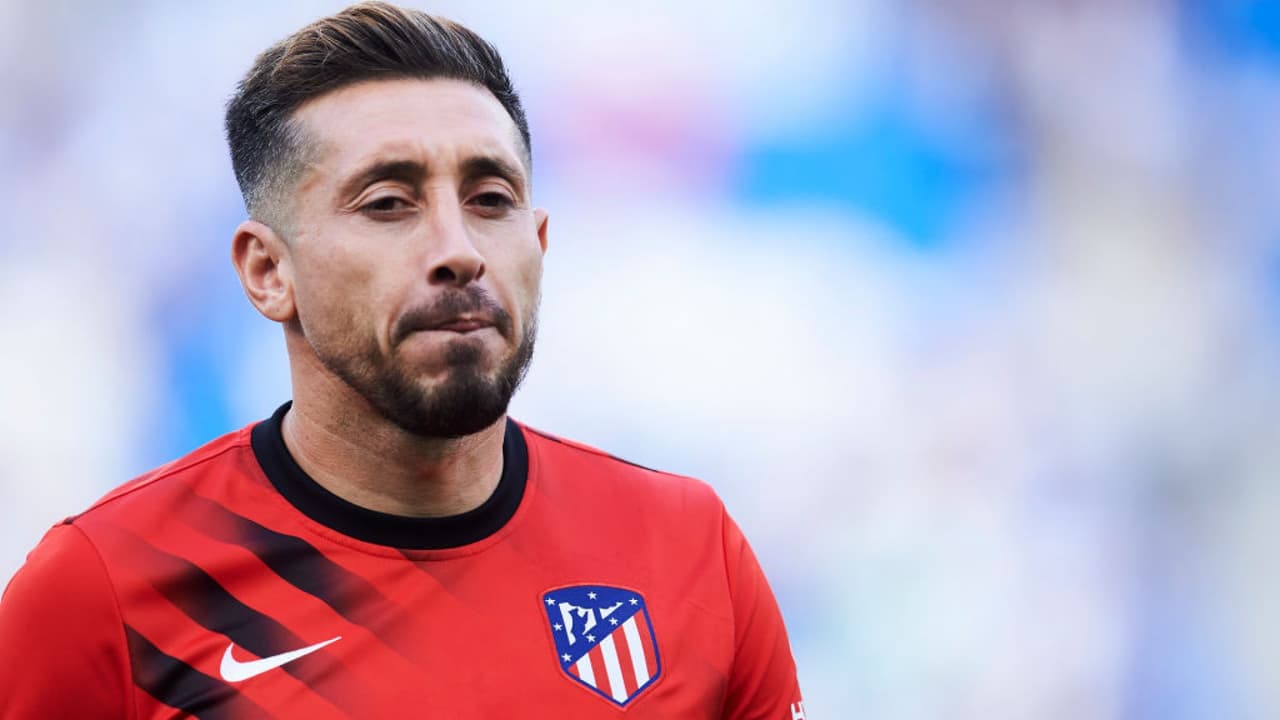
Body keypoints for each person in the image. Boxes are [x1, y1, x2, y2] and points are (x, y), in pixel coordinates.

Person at [0, 3, 805, 718]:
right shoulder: (106, 591)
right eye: (388, 203)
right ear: (268, 271)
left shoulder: (689, 551)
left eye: (490, 200)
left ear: (539, 242)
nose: (459, 250)